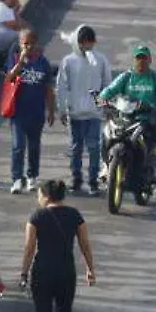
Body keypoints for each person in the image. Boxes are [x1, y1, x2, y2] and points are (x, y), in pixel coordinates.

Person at [18, 180, 96, 312]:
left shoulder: (36, 217)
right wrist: (90, 269)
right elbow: (84, 244)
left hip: (42, 271)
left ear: (45, 195)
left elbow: (29, 248)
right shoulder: (75, 215)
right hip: (66, 271)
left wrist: (24, 273)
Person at [56, 25, 113, 195]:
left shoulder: (101, 60)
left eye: (90, 42)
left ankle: (93, 181)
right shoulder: (69, 61)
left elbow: (107, 84)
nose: (87, 47)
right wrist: (62, 109)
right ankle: (76, 179)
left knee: (94, 147)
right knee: (76, 148)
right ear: (78, 42)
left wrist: (106, 106)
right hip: (75, 113)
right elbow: (62, 86)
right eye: (84, 43)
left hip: (94, 113)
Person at [99, 44, 156, 175]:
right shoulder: (126, 77)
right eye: (138, 58)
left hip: (146, 120)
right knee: (106, 133)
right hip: (125, 118)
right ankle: (106, 165)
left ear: (149, 60)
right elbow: (111, 89)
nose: (141, 61)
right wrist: (102, 97)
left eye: (144, 58)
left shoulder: (155, 78)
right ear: (134, 60)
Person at [2, 28, 58, 194]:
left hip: (36, 112)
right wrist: (20, 61)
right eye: (25, 44)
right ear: (20, 44)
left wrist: (51, 110)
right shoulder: (14, 59)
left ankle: (32, 176)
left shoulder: (43, 63)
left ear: (36, 43)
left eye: (31, 44)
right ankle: (17, 179)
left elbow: (48, 88)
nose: (28, 47)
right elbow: (8, 78)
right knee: (18, 146)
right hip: (18, 113)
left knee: (34, 146)